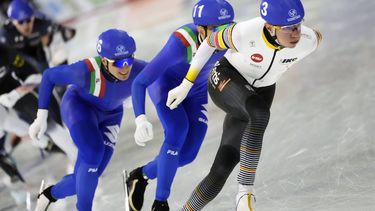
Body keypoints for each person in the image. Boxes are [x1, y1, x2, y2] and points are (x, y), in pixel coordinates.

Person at [167, 0, 323, 210]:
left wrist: (302, 31)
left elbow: (315, 35)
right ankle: (245, 193)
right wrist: (186, 84)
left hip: (261, 91)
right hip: (227, 77)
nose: (295, 33)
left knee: (221, 170)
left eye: (298, 25)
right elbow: (209, 43)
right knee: (259, 114)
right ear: (269, 26)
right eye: (288, 28)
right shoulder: (243, 32)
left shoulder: (308, 40)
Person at [126, 0, 234, 210]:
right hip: (165, 87)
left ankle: (140, 176)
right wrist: (140, 119)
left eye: (226, 28)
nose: (221, 36)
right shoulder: (181, 43)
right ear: (200, 29)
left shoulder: (232, 35)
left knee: (186, 156)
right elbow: (140, 81)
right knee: (177, 131)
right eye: (215, 29)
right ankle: (160, 202)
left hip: (196, 91)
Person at [28, 28, 147, 211]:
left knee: (89, 176)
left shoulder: (139, 69)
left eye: (129, 60)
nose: (125, 68)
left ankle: (49, 195)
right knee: (93, 153)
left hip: (112, 115)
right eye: (119, 62)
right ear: (105, 61)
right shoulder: (86, 71)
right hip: (79, 108)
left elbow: (168, 72)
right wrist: (41, 117)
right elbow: (49, 76)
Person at [0, 0, 76, 71]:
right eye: (20, 22)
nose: (26, 25)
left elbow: (69, 33)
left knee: (59, 54)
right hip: (18, 60)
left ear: (33, 18)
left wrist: (52, 42)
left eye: (28, 20)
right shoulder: (5, 34)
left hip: (39, 55)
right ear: (13, 22)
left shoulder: (43, 24)